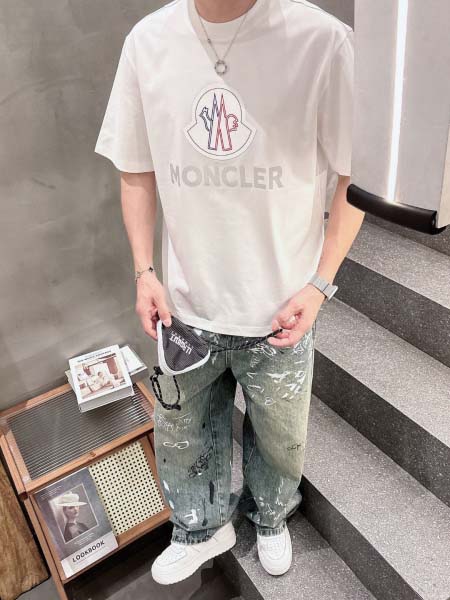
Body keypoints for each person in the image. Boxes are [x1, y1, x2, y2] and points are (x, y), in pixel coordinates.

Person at [94, 0, 365, 585]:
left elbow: (355, 174)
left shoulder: (323, 42)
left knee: (281, 436)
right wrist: (144, 270)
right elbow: (135, 167)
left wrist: (320, 284)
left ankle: (270, 516)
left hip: (281, 309)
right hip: (185, 305)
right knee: (182, 432)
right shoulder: (148, 41)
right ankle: (200, 528)